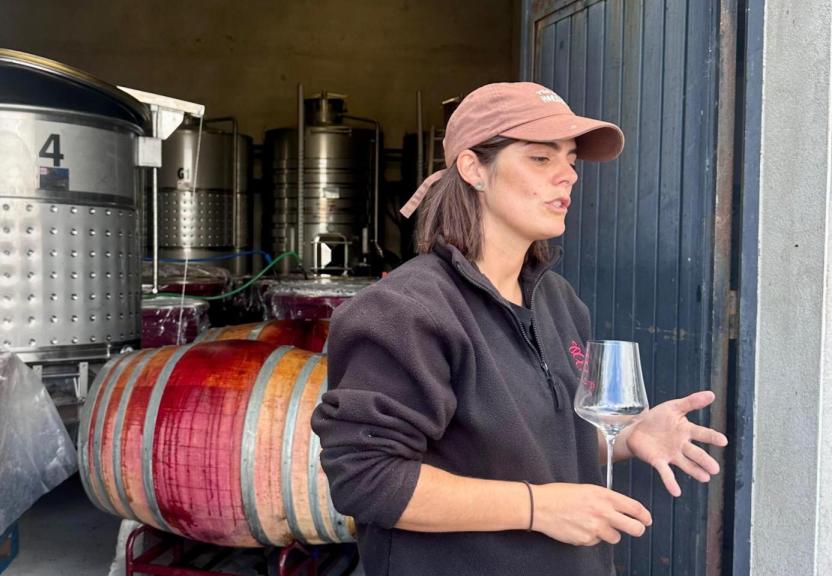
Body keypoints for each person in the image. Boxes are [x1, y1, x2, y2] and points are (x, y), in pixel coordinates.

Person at [310, 82, 728, 576]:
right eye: (540, 158)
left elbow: (535, 443)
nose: (568, 175)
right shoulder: (404, 311)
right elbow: (367, 479)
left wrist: (630, 433)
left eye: (570, 159)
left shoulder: (558, 301)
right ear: (473, 169)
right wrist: (539, 508)